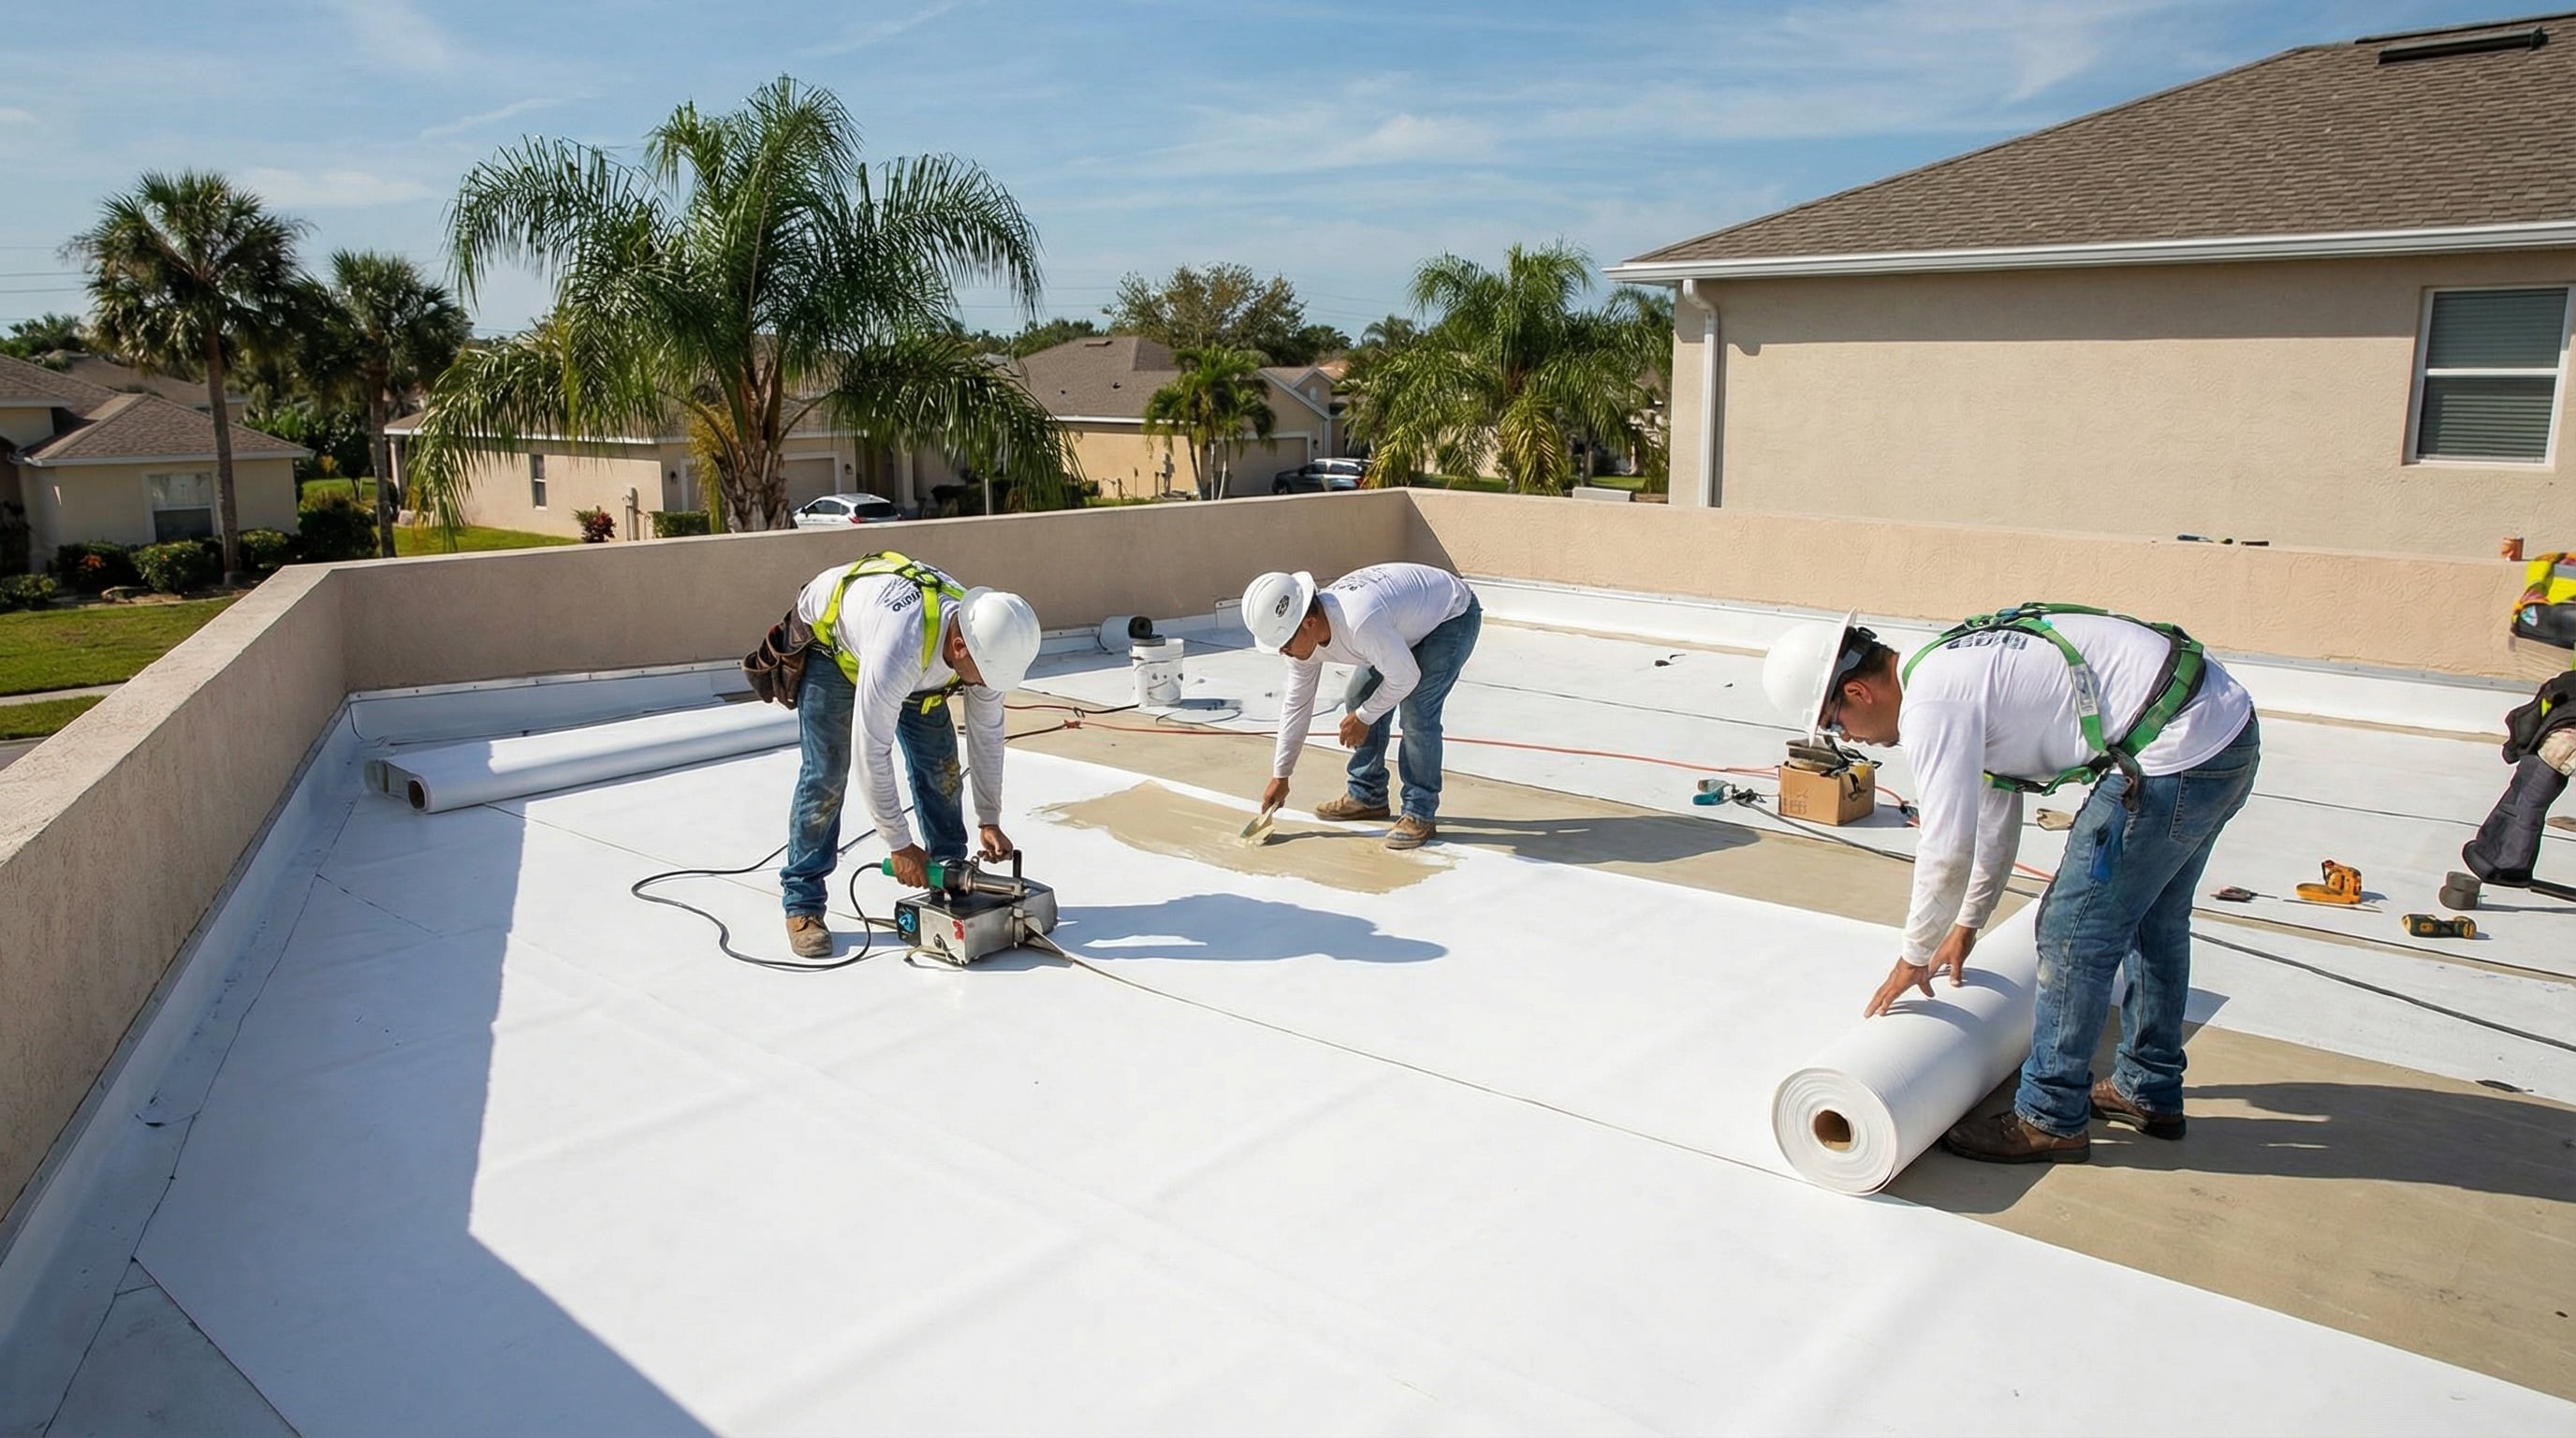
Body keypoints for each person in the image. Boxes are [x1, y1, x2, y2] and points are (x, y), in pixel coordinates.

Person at [1762, 605, 2259, 1164]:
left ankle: (2049, 1119)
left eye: (1834, 725)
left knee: (2071, 936)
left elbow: (1946, 848)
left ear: (1857, 692)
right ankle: (2147, 1090)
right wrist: (1967, 926)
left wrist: (1913, 954)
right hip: (2220, 731)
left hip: (2175, 751)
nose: (1850, 739)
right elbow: (1994, 824)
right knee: (2154, 920)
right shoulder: (1950, 671)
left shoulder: (1933, 705)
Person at [778, 551, 1040, 958]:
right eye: (986, 677)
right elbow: (871, 749)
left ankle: (950, 877)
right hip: (833, 648)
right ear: (959, 647)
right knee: (826, 776)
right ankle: (803, 903)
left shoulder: (984, 644)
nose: (988, 686)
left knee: (942, 769)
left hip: (922, 665)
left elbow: (987, 734)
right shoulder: (899, 647)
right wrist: (899, 846)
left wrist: (990, 818)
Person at [1241, 563, 1482, 850]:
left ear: (1308, 622)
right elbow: (1297, 705)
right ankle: (1368, 795)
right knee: (1357, 695)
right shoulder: (1303, 639)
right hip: (1403, 622)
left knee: (1418, 711)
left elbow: (1405, 678)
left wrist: (1365, 717)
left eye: (1284, 643)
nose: (1283, 652)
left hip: (1451, 616)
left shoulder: (1359, 622)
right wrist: (1281, 775)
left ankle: (1419, 813)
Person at [2461, 666, 2576, 890]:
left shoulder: (2561, 689)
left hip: (2563, 740)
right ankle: (2501, 859)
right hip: (2561, 733)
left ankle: (2509, 866)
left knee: (2529, 799)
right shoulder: (2563, 688)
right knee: (2527, 795)